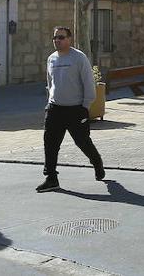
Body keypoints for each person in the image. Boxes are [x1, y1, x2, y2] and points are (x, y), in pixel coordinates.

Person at [37, 26, 105, 192]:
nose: (57, 41)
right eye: (55, 38)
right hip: (55, 109)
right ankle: (51, 177)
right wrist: (49, 103)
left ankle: (97, 162)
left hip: (75, 109)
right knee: (50, 144)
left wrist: (85, 106)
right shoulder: (51, 59)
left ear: (69, 39)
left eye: (61, 37)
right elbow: (50, 82)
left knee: (82, 142)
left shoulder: (79, 58)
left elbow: (89, 84)